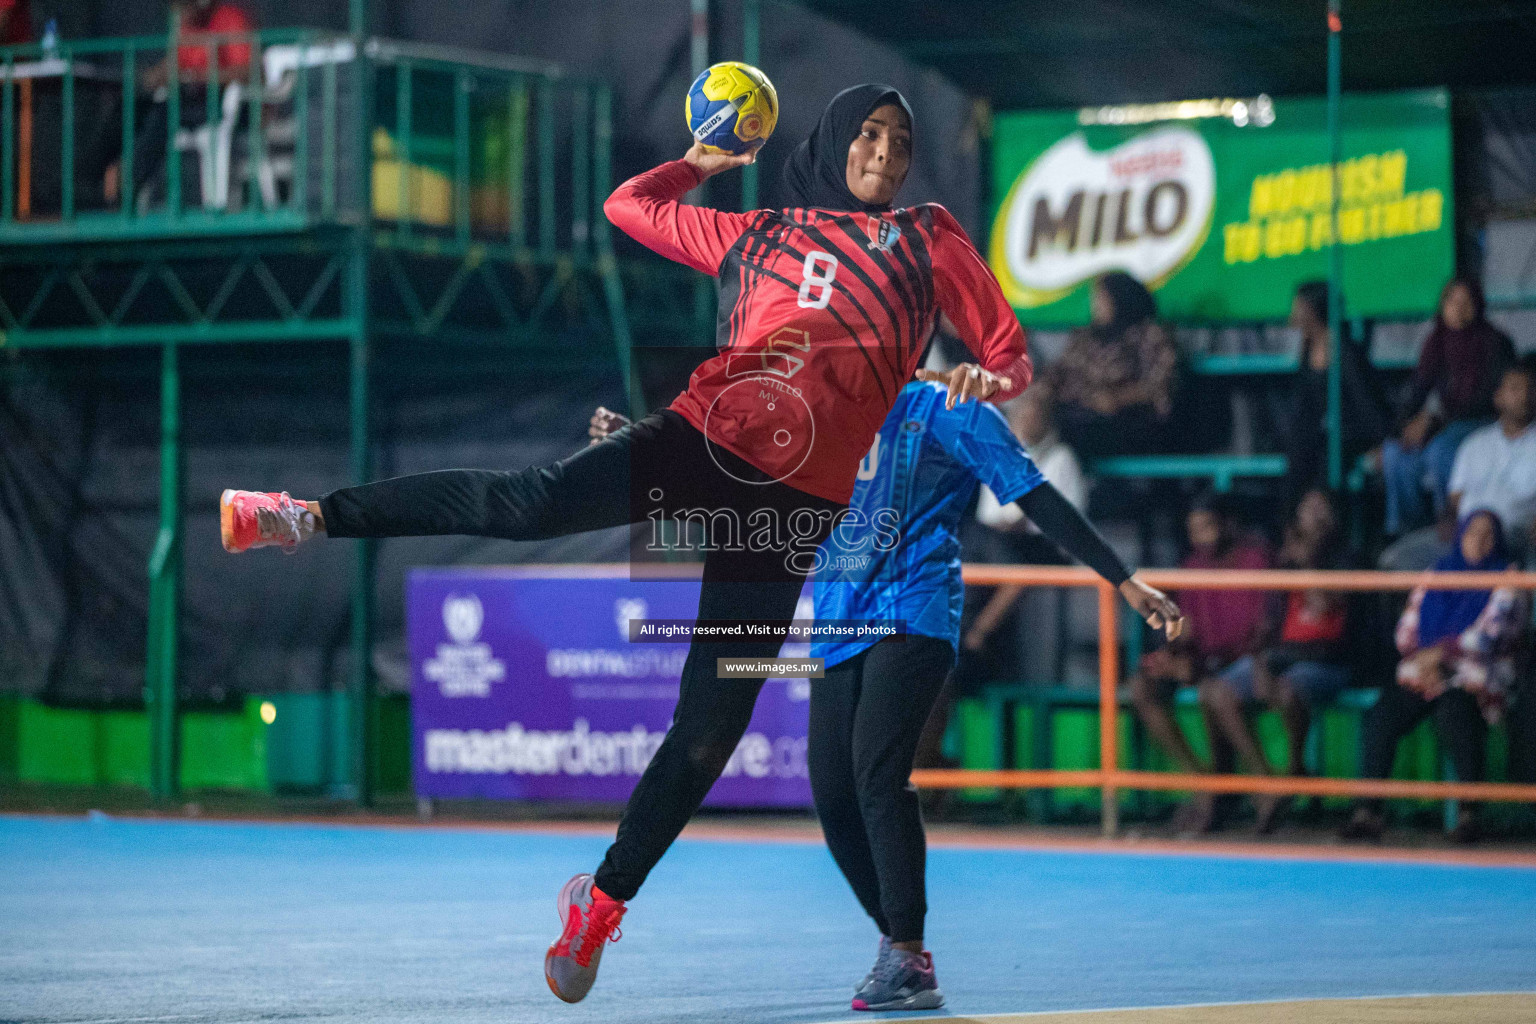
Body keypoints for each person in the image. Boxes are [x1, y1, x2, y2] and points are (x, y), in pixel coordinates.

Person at [219, 84, 1032, 1004]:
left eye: (901, 139)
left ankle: (600, 902)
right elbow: (628, 208)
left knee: (709, 730)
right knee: (529, 505)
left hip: (793, 505)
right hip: (702, 438)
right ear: (836, 140)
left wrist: (984, 373)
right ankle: (306, 515)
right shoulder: (762, 230)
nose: (885, 152)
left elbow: (1009, 350)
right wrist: (699, 163)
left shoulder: (929, 237)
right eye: (869, 135)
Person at [596, 379, 1182, 1011]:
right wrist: (645, 448)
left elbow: (1032, 492)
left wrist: (1121, 579)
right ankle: (903, 949)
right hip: (840, 620)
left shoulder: (946, 410)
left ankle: (906, 951)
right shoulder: (813, 411)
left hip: (915, 610)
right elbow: (737, 482)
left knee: (877, 772)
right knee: (833, 791)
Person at [1341, 510, 1528, 844]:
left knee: (1456, 712)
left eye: (1488, 535)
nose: (1479, 541)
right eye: (1473, 533)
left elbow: (1488, 636)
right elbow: (1406, 633)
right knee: (1382, 716)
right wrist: (1429, 659)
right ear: (1460, 536)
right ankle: (1367, 813)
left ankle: (1469, 816)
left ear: (1497, 541)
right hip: (1425, 673)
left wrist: (1442, 653)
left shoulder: (1508, 579)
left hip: (1476, 676)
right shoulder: (1438, 573)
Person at [1197, 488, 1358, 832]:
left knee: (1287, 691)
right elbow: (1267, 625)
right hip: (1283, 656)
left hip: (1328, 660)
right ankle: (1265, 782)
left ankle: (1294, 770)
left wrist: (1308, 562)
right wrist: (1259, 661)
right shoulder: (1284, 561)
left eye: (1321, 511)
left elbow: (1326, 605)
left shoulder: (1348, 558)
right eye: (1307, 509)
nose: (1313, 518)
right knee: (1214, 691)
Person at [1128, 495, 1270, 832]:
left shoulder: (1256, 561)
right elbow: (1182, 627)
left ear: (1227, 525)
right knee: (1141, 685)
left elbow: (1255, 635)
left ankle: (1265, 789)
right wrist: (1173, 653)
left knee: (1215, 689)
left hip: (1242, 664)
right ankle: (1202, 784)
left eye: (1206, 527)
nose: (1199, 537)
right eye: (1193, 530)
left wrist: (1197, 666)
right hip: (1203, 664)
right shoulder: (1192, 566)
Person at [1381, 279, 1515, 537]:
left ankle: (1451, 527)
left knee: (1440, 452)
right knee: (1396, 454)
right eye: (1452, 301)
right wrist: (1404, 428)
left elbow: (1487, 401)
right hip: (1444, 424)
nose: (1458, 309)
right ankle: (1409, 532)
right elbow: (1418, 389)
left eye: (1466, 303)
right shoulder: (1436, 341)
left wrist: (1434, 421)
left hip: (1480, 424)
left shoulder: (1495, 342)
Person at [1382, 358, 1536, 571]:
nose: (1524, 396)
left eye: (1530, 389)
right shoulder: (1475, 444)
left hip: (1516, 538)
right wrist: (1448, 519)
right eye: (1515, 389)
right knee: (1394, 559)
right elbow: (1453, 502)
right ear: (1498, 397)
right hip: (1466, 536)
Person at [103, 0, 257, 206]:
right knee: (135, 107)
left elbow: (246, 71)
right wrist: (150, 79)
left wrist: (201, 76)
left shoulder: (229, 19)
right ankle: (106, 172)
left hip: (229, 107)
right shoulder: (186, 27)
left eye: (184, 6)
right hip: (192, 103)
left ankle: (126, 183)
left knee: (164, 115)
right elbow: (174, 64)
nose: (180, 13)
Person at [1047, 271, 1180, 458]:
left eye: (1102, 298)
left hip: (1134, 422)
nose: (1097, 305)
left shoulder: (1150, 335)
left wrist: (1119, 398)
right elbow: (1062, 372)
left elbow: (1162, 385)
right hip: (1083, 415)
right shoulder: (1087, 337)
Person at [1279, 281, 1389, 503]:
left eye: (1299, 308)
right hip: (1322, 432)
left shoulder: (1346, 351)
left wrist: (1382, 442)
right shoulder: (1307, 351)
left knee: (1329, 461)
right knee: (1297, 455)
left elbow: (1365, 401)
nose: (1294, 315)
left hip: (1352, 433)